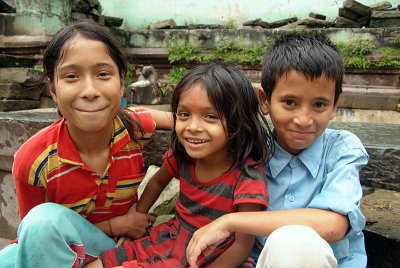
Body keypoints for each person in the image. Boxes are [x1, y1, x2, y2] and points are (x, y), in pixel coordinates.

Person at [186, 32, 369, 268]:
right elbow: (203, 123)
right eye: (290, 102)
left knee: (294, 241)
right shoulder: (252, 149)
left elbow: (333, 224)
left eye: (319, 104)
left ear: (334, 105)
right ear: (264, 100)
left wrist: (231, 221)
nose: (303, 119)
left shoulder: (342, 149)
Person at [0, 20, 171, 268]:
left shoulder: (133, 127)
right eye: (71, 76)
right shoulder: (34, 159)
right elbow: (34, 236)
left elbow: (186, 121)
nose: (90, 91)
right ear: (53, 90)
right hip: (61, 247)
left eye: (103, 74)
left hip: (115, 248)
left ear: (122, 83)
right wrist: (117, 224)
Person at [86, 62, 275, 268]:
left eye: (210, 116)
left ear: (238, 122)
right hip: (167, 239)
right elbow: (158, 182)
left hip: (203, 257)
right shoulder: (184, 156)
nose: (193, 127)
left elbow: (241, 247)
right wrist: (138, 216)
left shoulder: (246, 178)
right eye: (184, 114)